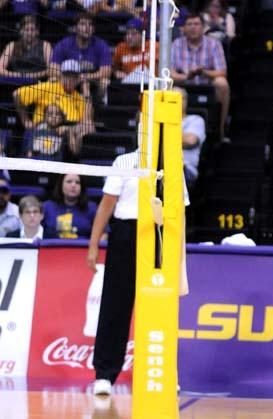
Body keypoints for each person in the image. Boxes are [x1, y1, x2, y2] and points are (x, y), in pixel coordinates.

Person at [87, 140, 190, 396]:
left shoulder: (174, 166)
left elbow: (180, 212)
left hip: (159, 236)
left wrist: (179, 253)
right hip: (125, 235)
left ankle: (164, 374)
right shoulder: (124, 162)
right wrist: (93, 245)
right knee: (115, 307)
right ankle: (104, 376)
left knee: (160, 309)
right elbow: (106, 206)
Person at [14, 60, 95, 158]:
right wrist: (25, 121)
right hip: (41, 133)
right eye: (67, 75)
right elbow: (17, 95)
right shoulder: (48, 88)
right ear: (61, 76)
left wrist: (86, 92)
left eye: (74, 76)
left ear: (78, 79)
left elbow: (89, 126)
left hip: (65, 142)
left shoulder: (80, 99)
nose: (70, 79)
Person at [170, 14, 230, 142]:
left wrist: (204, 72)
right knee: (170, 86)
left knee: (222, 83)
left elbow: (222, 72)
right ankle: (172, 131)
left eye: (196, 24)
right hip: (184, 84)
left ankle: (221, 130)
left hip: (206, 83)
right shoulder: (176, 44)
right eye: (189, 24)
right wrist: (187, 76)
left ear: (203, 28)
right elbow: (170, 73)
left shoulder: (214, 44)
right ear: (184, 29)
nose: (193, 27)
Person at [51, 13, 112, 104]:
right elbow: (52, 69)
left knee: (104, 81)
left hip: (92, 79)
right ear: (75, 28)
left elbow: (106, 72)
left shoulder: (101, 45)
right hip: (68, 78)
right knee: (52, 79)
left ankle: (97, 109)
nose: (87, 28)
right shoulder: (64, 44)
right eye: (83, 24)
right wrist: (71, 78)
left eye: (90, 24)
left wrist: (85, 77)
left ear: (93, 29)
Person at [43, 173, 97, 239]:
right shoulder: (47, 207)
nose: (73, 185)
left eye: (77, 182)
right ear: (61, 185)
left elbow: (103, 234)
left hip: (83, 248)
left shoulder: (92, 208)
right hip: (53, 248)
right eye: (69, 181)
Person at [0, 15, 52, 81]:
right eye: (26, 29)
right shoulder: (12, 45)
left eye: (32, 30)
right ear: (21, 31)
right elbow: (0, 69)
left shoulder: (45, 45)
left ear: (37, 32)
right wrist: (17, 76)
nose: (29, 33)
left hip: (37, 82)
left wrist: (29, 76)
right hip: (15, 81)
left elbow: (51, 69)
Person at [173, 86, 206, 187]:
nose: (176, 102)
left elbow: (190, 140)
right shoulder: (159, 122)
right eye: (172, 99)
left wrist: (162, 138)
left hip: (185, 170)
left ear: (185, 101)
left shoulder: (195, 120)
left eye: (179, 98)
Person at [111, 18, 158, 83]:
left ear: (143, 34)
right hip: (129, 85)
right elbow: (113, 68)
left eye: (133, 34)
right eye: (127, 34)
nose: (129, 37)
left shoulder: (154, 46)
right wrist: (117, 73)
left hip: (151, 84)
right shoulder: (121, 47)